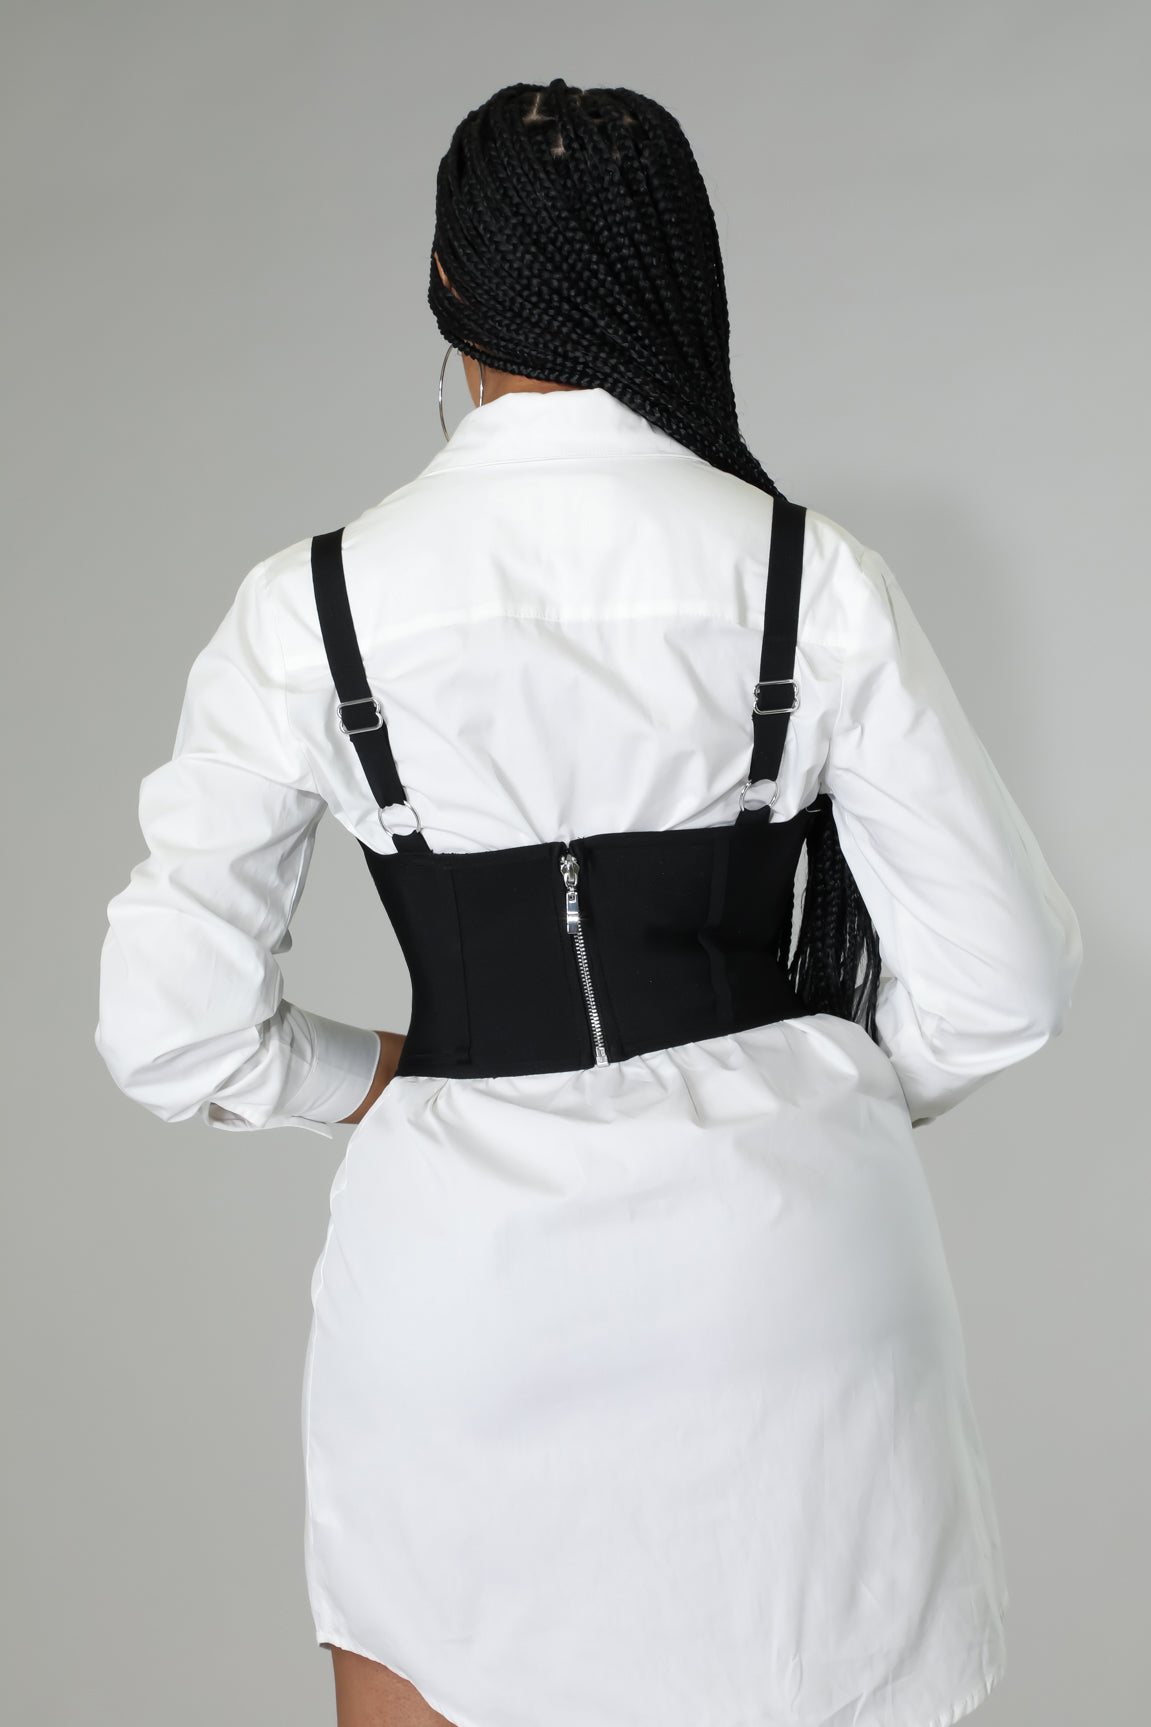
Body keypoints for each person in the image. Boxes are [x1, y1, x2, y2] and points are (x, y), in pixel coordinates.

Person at [96, 78, 1083, 1727]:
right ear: (675, 274)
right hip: (790, 1272)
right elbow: (1008, 987)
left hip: (459, 1299)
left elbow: (170, 1034)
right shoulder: (805, 573)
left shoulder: (307, 608)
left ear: (447, 291)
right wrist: (810, 1087)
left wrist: (379, 1077)